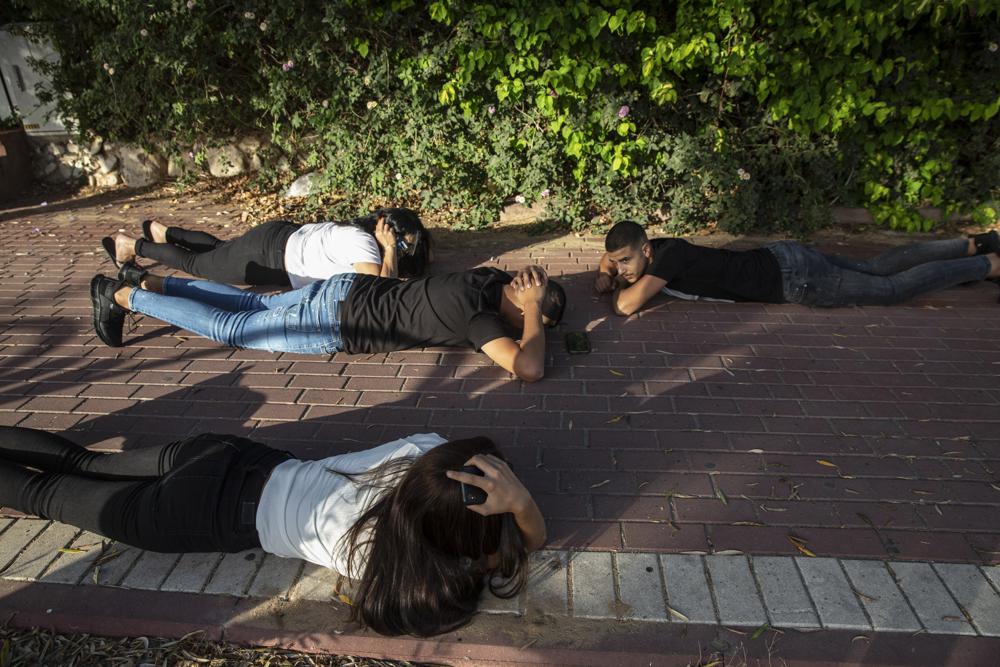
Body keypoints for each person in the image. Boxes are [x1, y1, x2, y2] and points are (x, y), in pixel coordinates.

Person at [0, 426, 545, 636]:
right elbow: (524, 547)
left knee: (83, 461)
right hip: (205, 515)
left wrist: (505, 487)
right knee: (40, 496)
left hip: (233, 454)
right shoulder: (380, 558)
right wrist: (520, 506)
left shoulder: (421, 450)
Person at [90, 264, 566, 382]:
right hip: (337, 320)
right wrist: (531, 314)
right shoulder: (480, 318)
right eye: (534, 317)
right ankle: (123, 295)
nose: (530, 326)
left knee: (253, 306)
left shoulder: (485, 279)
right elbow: (529, 368)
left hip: (344, 289)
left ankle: (148, 279)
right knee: (231, 329)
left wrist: (527, 298)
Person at [594, 220, 1000, 314]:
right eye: (618, 262)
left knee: (891, 290)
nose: (623, 269)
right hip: (782, 256)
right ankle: (972, 243)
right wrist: (605, 273)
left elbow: (626, 307)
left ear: (646, 250)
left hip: (795, 280)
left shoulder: (667, 258)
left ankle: (986, 264)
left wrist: (615, 287)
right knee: (874, 266)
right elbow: (607, 261)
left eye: (627, 261)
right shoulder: (658, 248)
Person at [100, 208, 432, 286]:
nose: (403, 251)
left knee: (220, 248)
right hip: (270, 256)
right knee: (198, 266)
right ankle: (132, 245)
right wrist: (389, 249)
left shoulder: (355, 232)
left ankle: (164, 230)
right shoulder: (368, 246)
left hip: (276, 240)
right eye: (401, 242)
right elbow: (381, 288)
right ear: (385, 231)